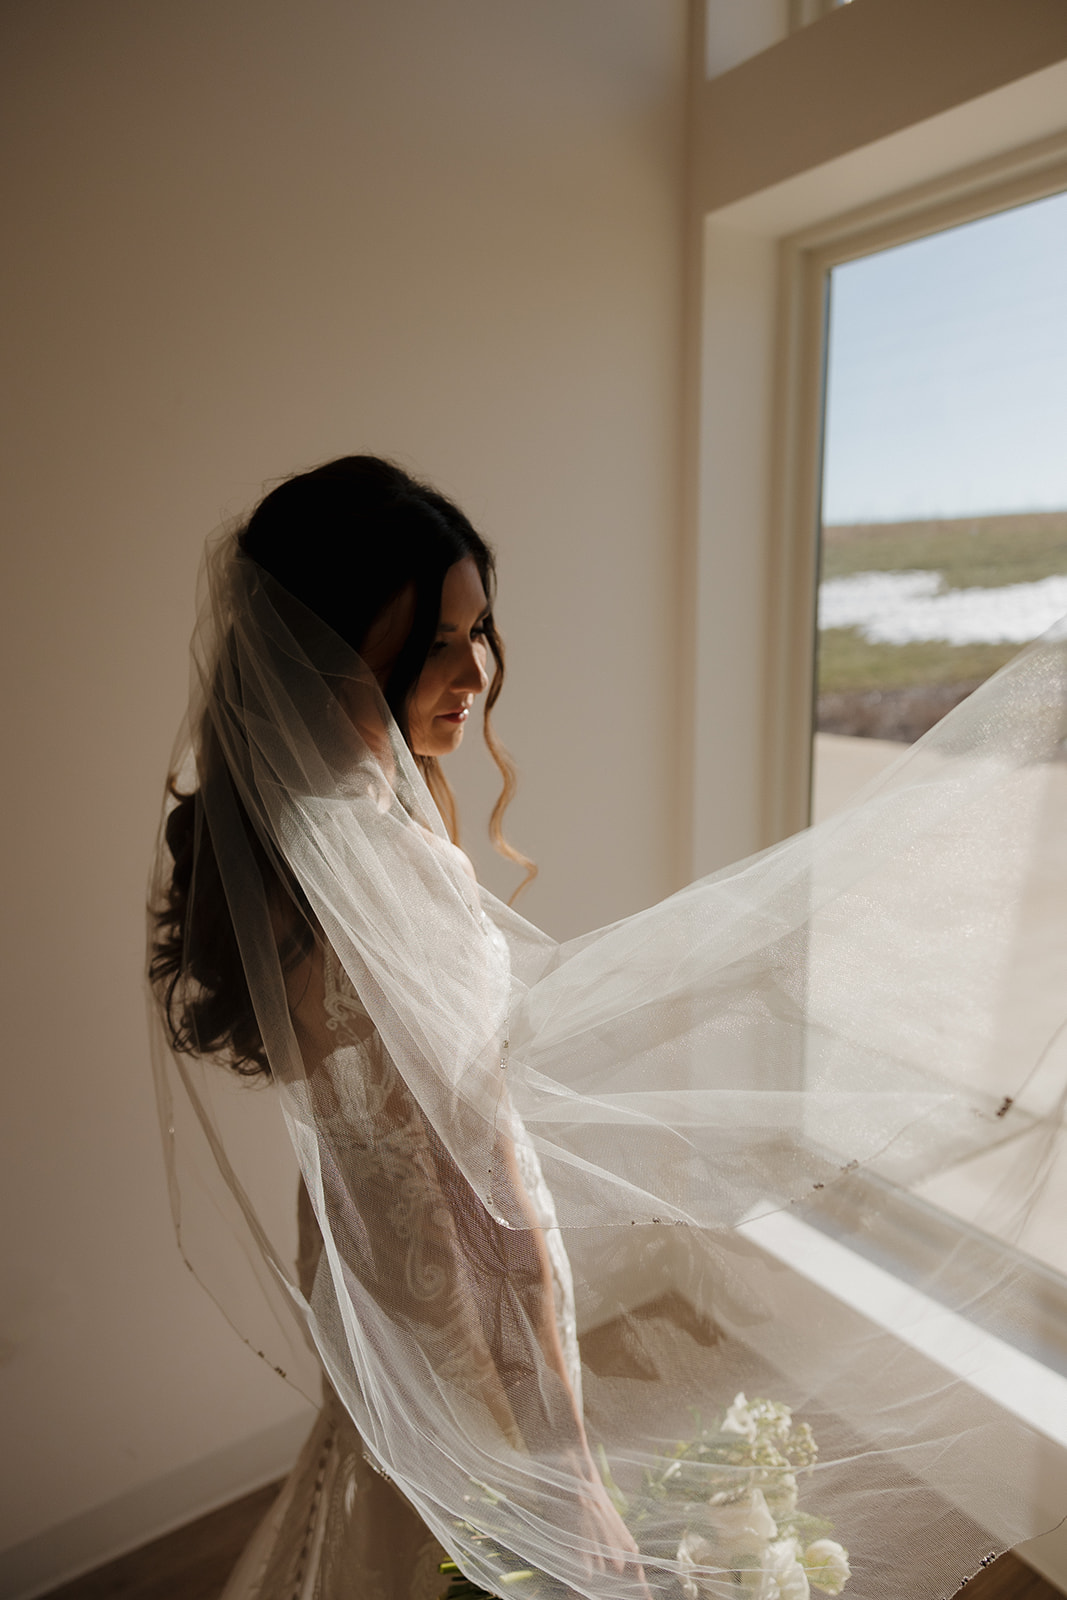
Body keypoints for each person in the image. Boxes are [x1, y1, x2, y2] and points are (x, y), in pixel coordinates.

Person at [149, 456, 1067, 1600]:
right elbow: (494, 1193)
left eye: (480, 632)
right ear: (333, 647)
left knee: (376, 1478)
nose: (474, 670)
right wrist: (573, 1456)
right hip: (452, 1295)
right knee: (469, 1528)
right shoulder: (377, 869)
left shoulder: (278, 835)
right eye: (433, 641)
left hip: (353, 1251)